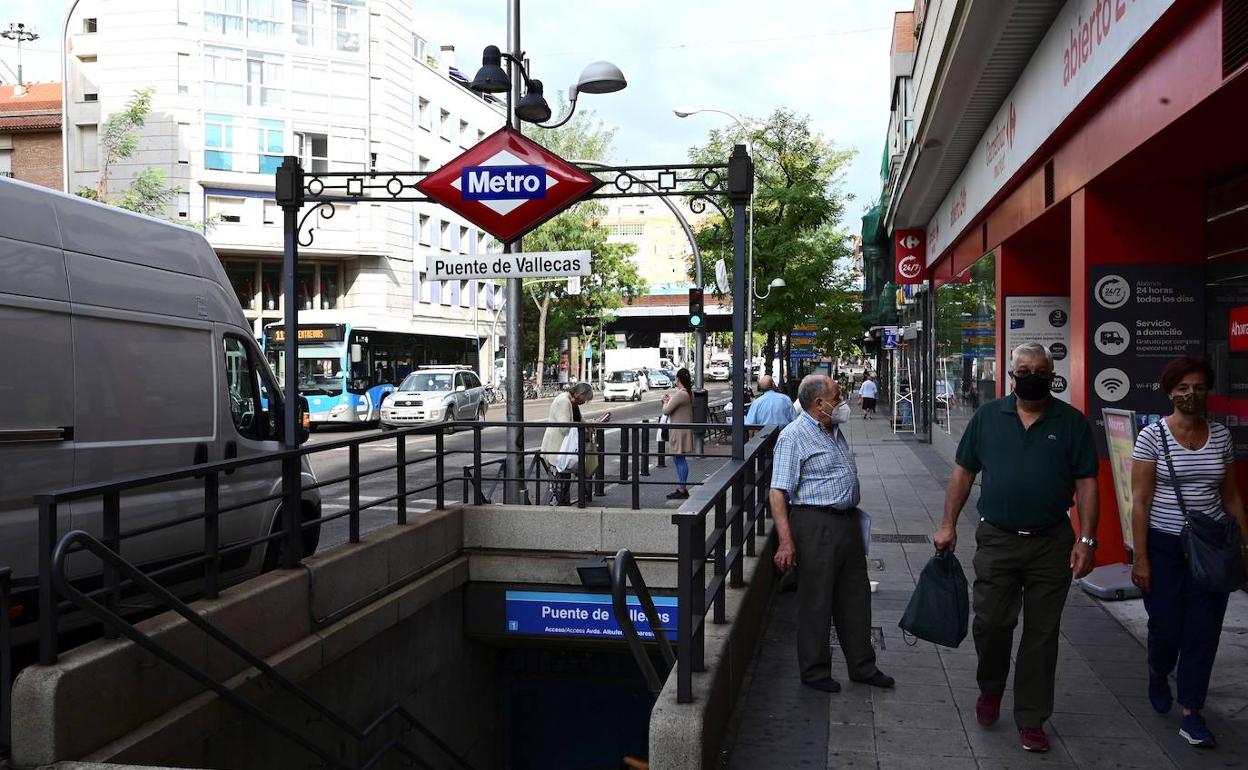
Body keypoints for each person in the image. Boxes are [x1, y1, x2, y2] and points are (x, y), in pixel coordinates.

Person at [934, 342, 1098, 754]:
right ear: (1010, 375)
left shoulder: (1072, 423)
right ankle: (990, 688)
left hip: (1051, 542)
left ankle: (1031, 716)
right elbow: (963, 473)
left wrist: (1087, 539)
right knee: (991, 623)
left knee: (1042, 635)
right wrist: (947, 525)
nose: (1031, 375)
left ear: (1051, 374)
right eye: (1023, 369)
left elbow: (1087, 484)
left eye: (1040, 370)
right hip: (998, 539)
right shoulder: (988, 418)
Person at [1129, 356, 1248, 748]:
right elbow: (1141, 502)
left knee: (1203, 632)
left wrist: (1243, 545)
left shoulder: (1220, 436)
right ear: (1169, 392)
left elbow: (1230, 495)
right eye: (1183, 388)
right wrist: (1141, 558)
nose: (1191, 394)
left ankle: (1192, 711)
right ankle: (1158, 670)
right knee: (1166, 626)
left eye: (1198, 387)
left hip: (1211, 546)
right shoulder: (1152, 437)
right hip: (1164, 547)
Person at [770, 375, 892, 693]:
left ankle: (862, 666)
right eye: (837, 396)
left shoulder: (832, 430)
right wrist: (786, 541)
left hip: (846, 523)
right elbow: (778, 491)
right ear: (819, 403)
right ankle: (815, 670)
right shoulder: (794, 436)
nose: (842, 402)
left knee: (856, 595)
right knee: (816, 600)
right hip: (814, 523)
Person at [541, 381, 599, 506]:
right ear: (580, 394)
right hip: (556, 449)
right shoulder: (564, 401)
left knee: (563, 483)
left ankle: (562, 507)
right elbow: (565, 427)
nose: (584, 402)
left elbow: (580, 420)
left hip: (563, 450)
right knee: (557, 485)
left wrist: (589, 425)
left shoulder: (571, 402)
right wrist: (579, 426)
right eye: (585, 399)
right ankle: (552, 510)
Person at [662, 368, 694, 499]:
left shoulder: (681, 394)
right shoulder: (688, 393)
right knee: (679, 459)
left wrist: (664, 401)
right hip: (684, 430)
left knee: (679, 459)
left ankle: (682, 489)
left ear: (678, 380)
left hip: (679, 431)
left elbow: (666, 410)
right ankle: (682, 487)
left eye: (676, 378)